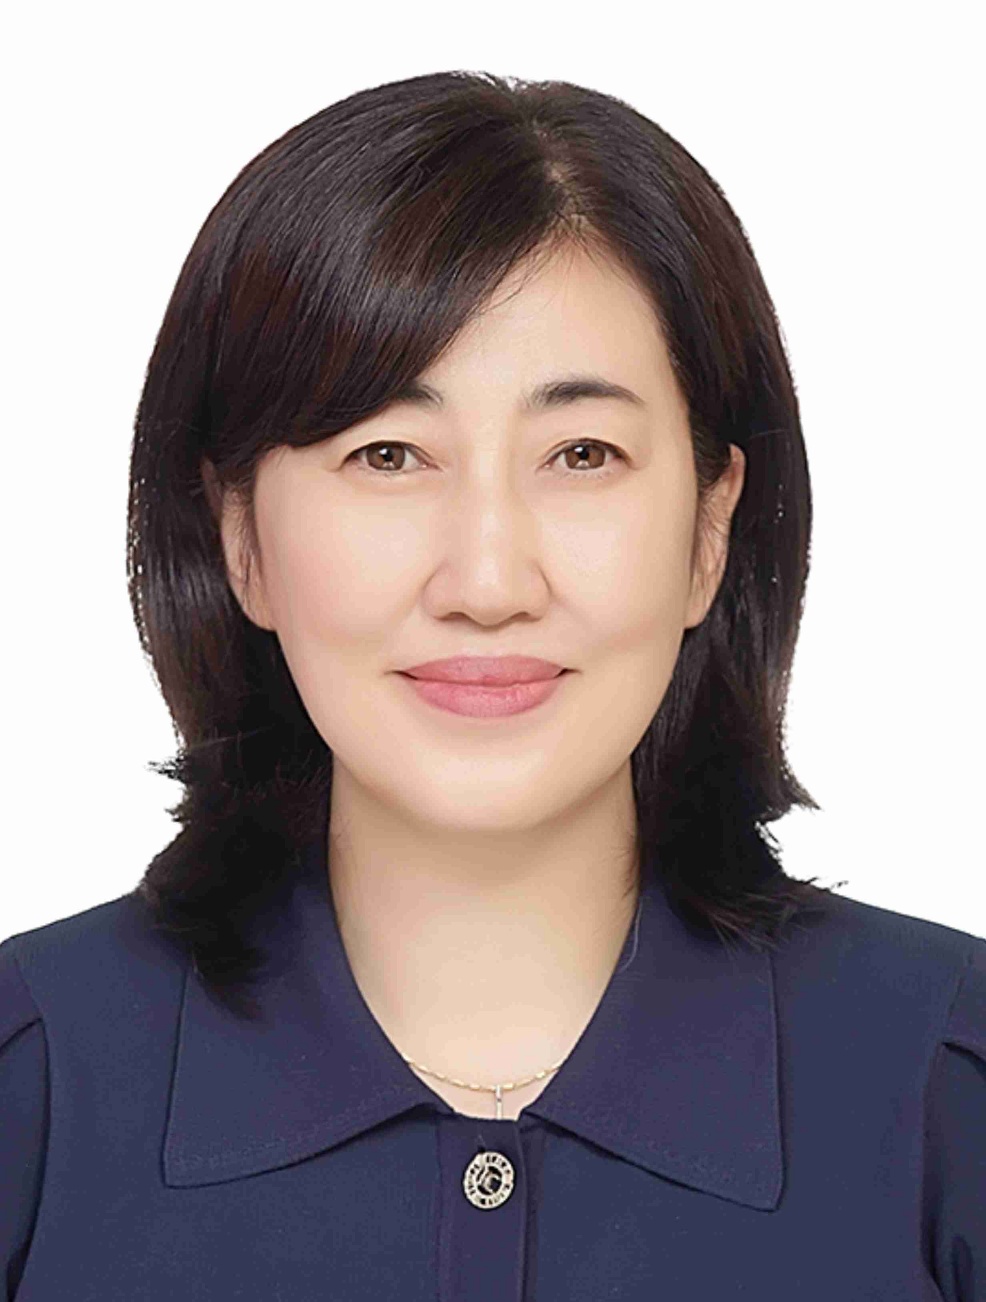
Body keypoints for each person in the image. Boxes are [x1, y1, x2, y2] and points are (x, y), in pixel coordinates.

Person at [1, 70, 983, 1300]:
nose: (486, 580)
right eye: (387, 454)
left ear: (709, 530)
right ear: (239, 535)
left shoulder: (945, 1089)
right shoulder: (32, 1084)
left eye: (581, 454)